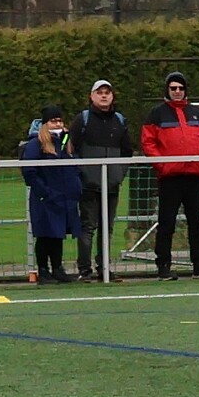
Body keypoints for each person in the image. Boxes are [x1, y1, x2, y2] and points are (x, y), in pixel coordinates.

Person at [141, 70, 199, 279]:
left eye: (180, 88)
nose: (177, 91)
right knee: (167, 223)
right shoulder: (156, 113)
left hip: (195, 176)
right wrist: (163, 166)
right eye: (173, 88)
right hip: (170, 178)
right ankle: (163, 266)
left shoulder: (197, 113)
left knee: (196, 223)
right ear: (167, 89)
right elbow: (148, 142)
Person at [71, 79, 134, 280]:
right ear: (92, 96)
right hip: (88, 185)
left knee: (107, 228)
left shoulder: (120, 120)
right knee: (88, 226)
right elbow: (71, 147)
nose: (104, 95)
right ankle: (84, 269)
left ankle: (104, 268)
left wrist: (119, 174)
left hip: (112, 185)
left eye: (107, 92)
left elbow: (127, 151)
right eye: (100, 92)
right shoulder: (82, 119)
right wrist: (82, 173)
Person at [19, 106, 83, 284]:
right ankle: (43, 270)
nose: (58, 124)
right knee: (45, 234)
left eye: (60, 121)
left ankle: (57, 268)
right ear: (45, 124)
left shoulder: (65, 142)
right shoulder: (36, 144)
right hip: (46, 198)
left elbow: (74, 165)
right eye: (53, 121)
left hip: (63, 197)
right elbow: (29, 170)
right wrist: (44, 192)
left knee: (58, 234)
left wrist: (75, 187)